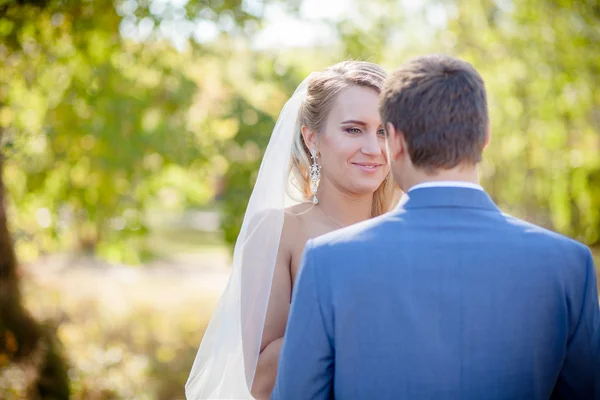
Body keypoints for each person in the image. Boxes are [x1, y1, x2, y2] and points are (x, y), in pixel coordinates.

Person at [272, 54, 600, 400]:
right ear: (484, 138)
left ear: (394, 140)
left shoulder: (327, 261)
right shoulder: (570, 265)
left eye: (381, 132)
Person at [185, 61, 399, 399]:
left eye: (384, 131)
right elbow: (259, 381)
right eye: (354, 130)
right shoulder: (279, 230)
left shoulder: (409, 232)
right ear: (312, 137)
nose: (374, 148)